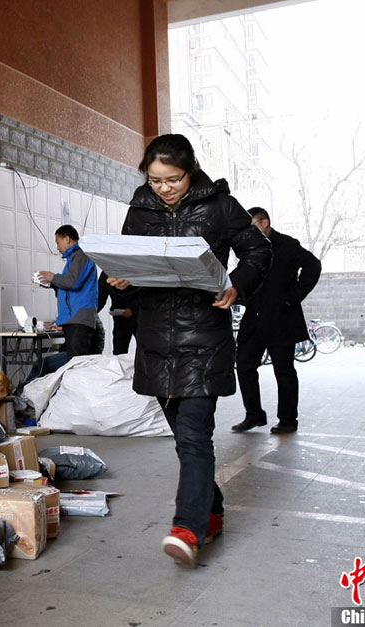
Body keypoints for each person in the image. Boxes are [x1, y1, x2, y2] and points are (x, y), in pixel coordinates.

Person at [107, 134, 271, 568]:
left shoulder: (220, 205)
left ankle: (187, 528)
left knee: (196, 434)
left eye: (172, 179)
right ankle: (211, 513)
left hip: (204, 335)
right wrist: (122, 278)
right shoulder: (140, 208)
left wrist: (237, 284)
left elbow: (257, 250)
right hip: (156, 336)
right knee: (184, 439)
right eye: (155, 180)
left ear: (190, 170)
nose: (163, 188)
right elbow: (130, 259)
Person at [232, 207, 321, 435]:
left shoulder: (287, 245)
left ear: (265, 223)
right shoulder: (247, 248)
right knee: (244, 365)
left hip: (282, 317)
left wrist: (293, 297)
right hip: (254, 317)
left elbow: (313, 265)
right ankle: (254, 415)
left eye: (253, 227)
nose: (249, 232)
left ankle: (288, 420)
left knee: (284, 371)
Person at [37, 225, 98, 361]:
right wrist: (53, 284)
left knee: (75, 364)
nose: (57, 247)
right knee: (68, 362)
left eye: (58, 242)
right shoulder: (73, 258)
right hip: (73, 319)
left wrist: (53, 277)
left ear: (68, 239)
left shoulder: (81, 255)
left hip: (79, 320)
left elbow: (72, 282)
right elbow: (69, 287)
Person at [98, 270, 140, 355]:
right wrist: (91, 312)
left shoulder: (134, 269)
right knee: (119, 351)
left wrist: (132, 309)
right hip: (120, 318)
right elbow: (100, 298)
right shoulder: (105, 274)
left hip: (140, 317)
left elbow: (145, 293)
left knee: (144, 349)